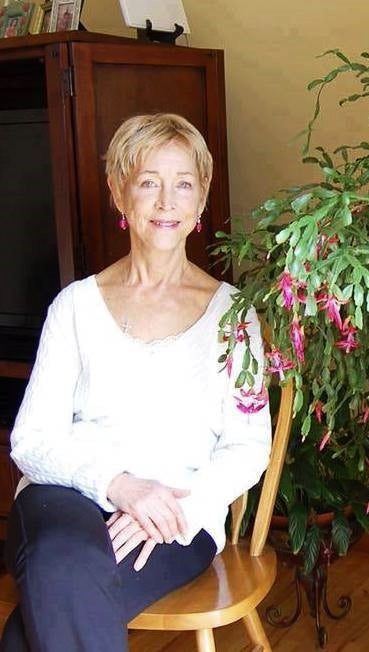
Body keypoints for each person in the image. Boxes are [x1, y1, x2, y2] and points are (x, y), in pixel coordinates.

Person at [0, 114, 271, 651]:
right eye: (149, 182)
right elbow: (31, 442)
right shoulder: (75, 307)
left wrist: (178, 510)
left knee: (30, 627)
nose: (167, 202)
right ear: (119, 194)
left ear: (201, 200)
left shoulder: (233, 317)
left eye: (183, 184)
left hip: (176, 514)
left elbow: (248, 445)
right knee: (64, 561)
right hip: (66, 496)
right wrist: (121, 487)